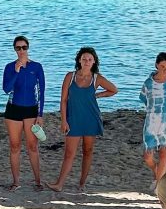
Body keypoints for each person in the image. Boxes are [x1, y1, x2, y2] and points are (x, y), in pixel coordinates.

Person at [50, 47, 117, 192]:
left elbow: (113, 90)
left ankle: (82, 183)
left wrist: (98, 96)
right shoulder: (70, 76)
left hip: (91, 118)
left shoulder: (96, 78)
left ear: (94, 62)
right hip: (73, 119)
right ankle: (59, 184)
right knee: (69, 153)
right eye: (84, 59)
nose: (86, 62)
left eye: (90, 59)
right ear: (79, 60)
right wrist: (63, 120)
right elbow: (63, 101)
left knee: (88, 150)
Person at [1, 35, 46, 191]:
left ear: (28, 48)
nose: (21, 51)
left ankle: (38, 181)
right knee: (14, 146)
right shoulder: (9, 67)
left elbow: (41, 92)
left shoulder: (37, 67)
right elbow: (7, 89)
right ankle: (16, 181)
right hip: (13, 109)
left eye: (24, 47)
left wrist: (40, 114)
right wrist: (16, 71)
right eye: (18, 48)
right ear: (14, 49)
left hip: (31, 110)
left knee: (32, 146)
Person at [139, 52, 166, 181]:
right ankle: (157, 170)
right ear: (156, 65)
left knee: (164, 154)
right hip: (152, 122)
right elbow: (145, 99)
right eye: (163, 66)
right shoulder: (148, 83)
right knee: (147, 157)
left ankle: (159, 187)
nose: (165, 70)